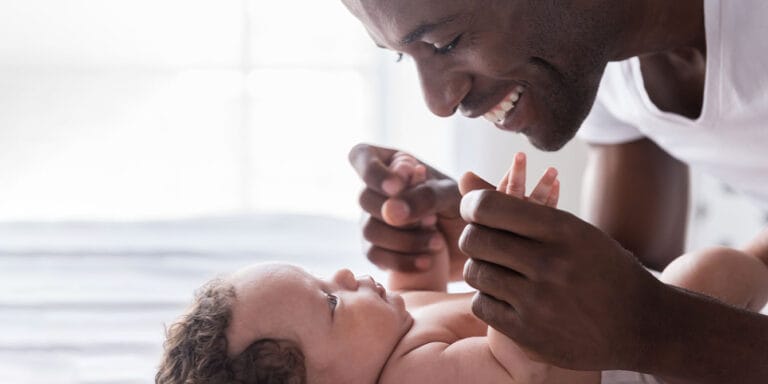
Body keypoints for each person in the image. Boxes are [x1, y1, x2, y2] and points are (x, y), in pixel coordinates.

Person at [340, 0, 768, 383]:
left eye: (444, 42)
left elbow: (643, 317)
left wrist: (654, 326)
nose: (439, 102)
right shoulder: (597, 55)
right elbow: (630, 283)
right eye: (401, 56)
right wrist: (503, 252)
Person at [155, 153, 767, 384]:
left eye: (321, 275)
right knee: (707, 273)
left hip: (625, 332)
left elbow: (427, 298)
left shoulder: (390, 334)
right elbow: (512, 361)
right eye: (330, 303)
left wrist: (424, 253)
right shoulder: (410, 381)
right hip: (642, 368)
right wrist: (510, 250)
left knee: (708, 275)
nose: (343, 277)